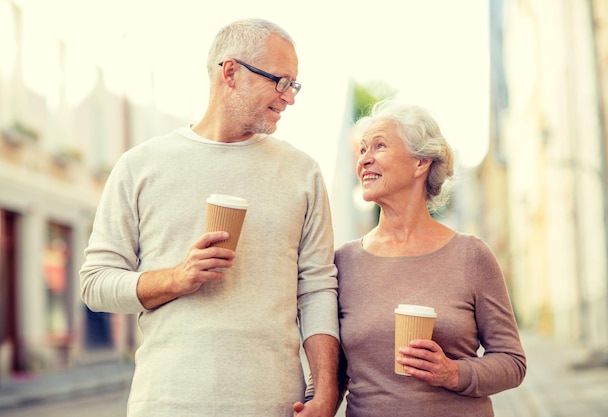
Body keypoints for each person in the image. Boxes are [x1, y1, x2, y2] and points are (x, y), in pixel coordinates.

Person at [79, 18, 339, 417]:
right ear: (231, 72)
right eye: (280, 81)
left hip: (275, 405)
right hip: (167, 403)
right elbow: (96, 283)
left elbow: (317, 289)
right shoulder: (140, 166)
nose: (289, 98)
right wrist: (177, 277)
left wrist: (324, 391)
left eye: (294, 84)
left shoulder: (302, 172)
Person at [334, 100, 526, 416]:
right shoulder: (344, 262)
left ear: (421, 162)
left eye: (379, 146)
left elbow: (512, 362)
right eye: (363, 149)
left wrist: (453, 373)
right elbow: (331, 372)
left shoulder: (471, 255)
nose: (364, 160)